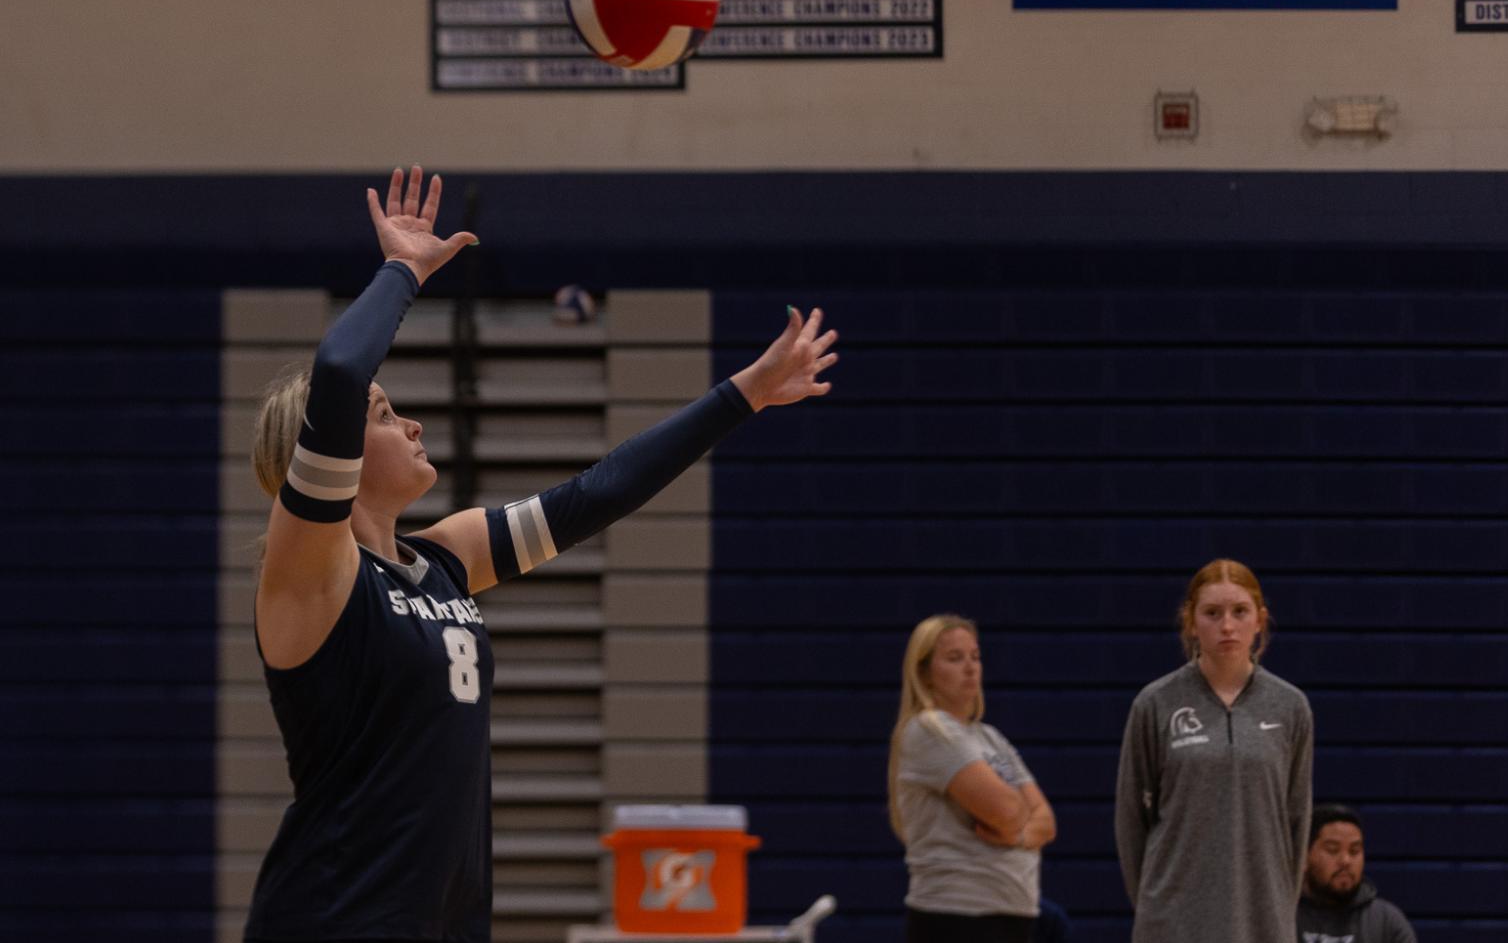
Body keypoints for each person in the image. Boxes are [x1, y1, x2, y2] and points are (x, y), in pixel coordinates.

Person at [242, 167, 838, 943]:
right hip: (334, 917)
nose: (413, 424)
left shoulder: (445, 557)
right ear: (337, 450)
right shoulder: (310, 571)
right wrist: (405, 268)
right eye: (387, 415)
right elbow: (343, 372)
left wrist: (743, 394)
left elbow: (595, 495)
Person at [1115, 558, 1315, 943]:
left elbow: (1297, 821)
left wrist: (1278, 911)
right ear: (1191, 621)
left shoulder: (1291, 707)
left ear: (1259, 620)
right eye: (1212, 613)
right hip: (1172, 923)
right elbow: (1130, 822)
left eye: (1239, 612)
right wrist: (1154, 906)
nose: (1227, 626)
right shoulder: (1154, 704)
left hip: (1263, 921)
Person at [890, 614, 1056, 943]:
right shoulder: (929, 730)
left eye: (975, 656)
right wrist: (1019, 818)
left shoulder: (990, 738)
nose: (970, 667)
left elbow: (1047, 822)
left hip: (1010, 912)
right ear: (924, 673)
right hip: (957, 917)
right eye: (954, 658)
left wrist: (1017, 834)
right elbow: (1008, 811)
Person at [1297, 804, 1417, 943]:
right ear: (1304, 856)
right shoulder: (1284, 915)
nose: (1345, 861)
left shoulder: (1387, 922)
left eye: (1354, 851)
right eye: (1332, 850)